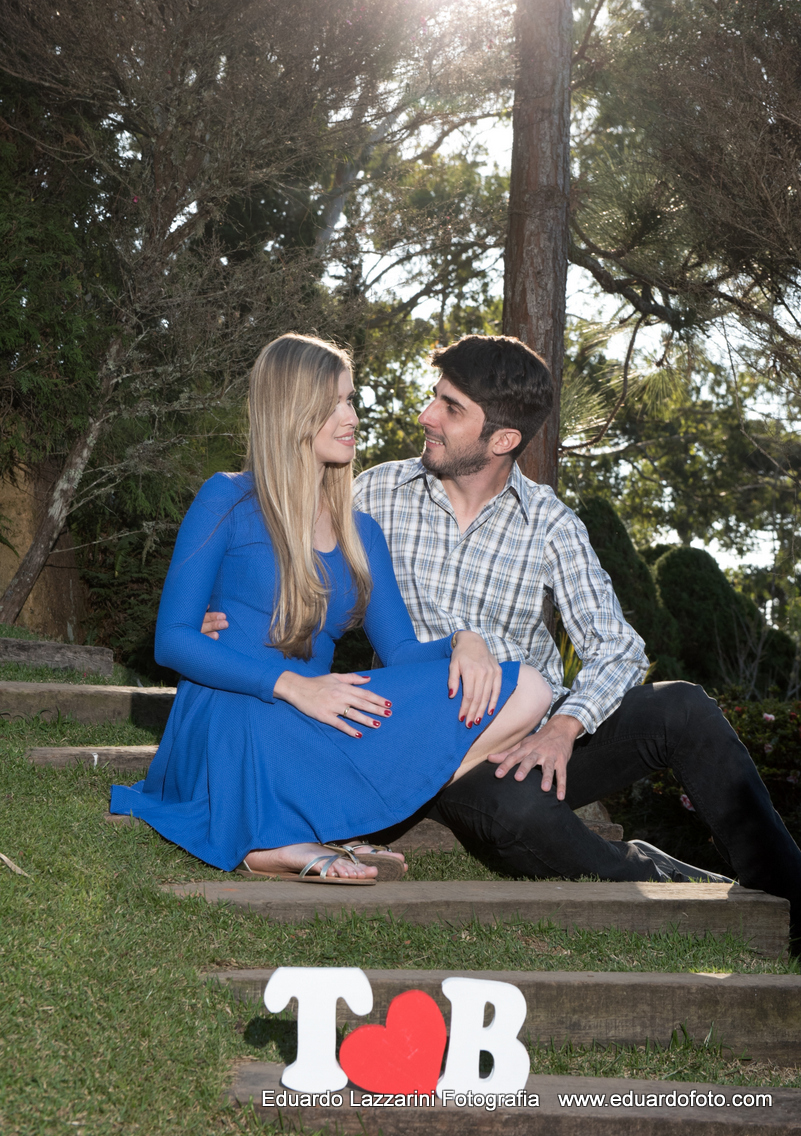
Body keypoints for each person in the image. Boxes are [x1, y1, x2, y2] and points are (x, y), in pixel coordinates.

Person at [203, 333, 801, 948]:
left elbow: (618, 647)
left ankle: (792, 896)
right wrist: (223, 616)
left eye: (450, 408)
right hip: (440, 752)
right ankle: (659, 881)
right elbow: (282, 567)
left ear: (503, 440)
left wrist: (563, 730)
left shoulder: (549, 522)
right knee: (515, 813)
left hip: (540, 736)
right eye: (434, 398)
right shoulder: (374, 495)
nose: (426, 417)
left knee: (683, 706)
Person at [110, 334, 553, 883]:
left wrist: (465, 640)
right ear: (292, 411)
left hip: (318, 714)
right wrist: (292, 685)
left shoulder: (359, 530)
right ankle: (277, 840)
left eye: (351, 400)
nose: (352, 417)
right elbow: (173, 639)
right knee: (257, 713)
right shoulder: (225, 498)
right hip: (236, 706)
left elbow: (401, 653)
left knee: (530, 686)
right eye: (335, 403)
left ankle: (339, 810)